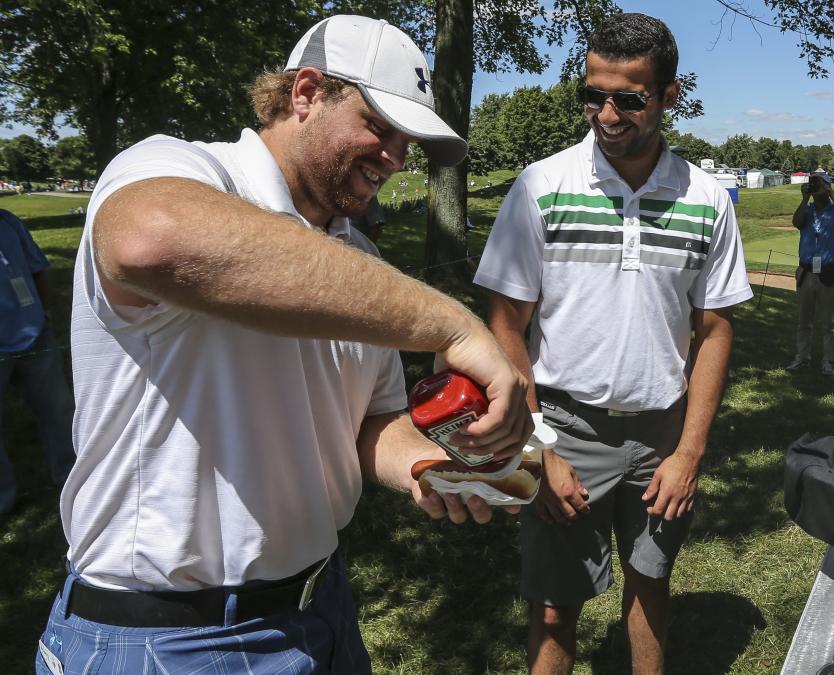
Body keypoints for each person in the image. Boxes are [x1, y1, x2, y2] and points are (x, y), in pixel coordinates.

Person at [35, 15, 533, 674]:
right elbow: (146, 239)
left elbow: (370, 421)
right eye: (379, 127)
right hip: (164, 635)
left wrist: (428, 468)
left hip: (319, 607)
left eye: (408, 141)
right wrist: (454, 325)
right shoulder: (182, 168)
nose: (396, 157)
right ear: (305, 93)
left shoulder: (357, 260)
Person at [473, 13, 753, 675]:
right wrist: (535, 450)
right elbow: (505, 324)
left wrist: (690, 450)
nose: (607, 112)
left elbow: (715, 329)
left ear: (669, 96)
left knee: (651, 582)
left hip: (663, 431)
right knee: (552, 607)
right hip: (564, 425)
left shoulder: (708, 199)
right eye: (592, 94)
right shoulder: (542, 186)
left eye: (629, 98)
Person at [0, 209, 75, 514]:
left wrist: (43, 315)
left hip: (34, 334)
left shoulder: (8, 222)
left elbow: (37, 268)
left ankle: (73, 480)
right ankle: (4, 499)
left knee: (58, 411)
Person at [786, 173, 834, 376]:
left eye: (819, 184)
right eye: (814, 184)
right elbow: (796, 223)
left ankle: (830, 361)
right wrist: (805, 198)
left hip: (828, 273)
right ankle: (802, 358)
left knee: (829, 322)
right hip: (806, 271)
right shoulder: (806, 211)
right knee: (804, 321)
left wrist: (830, 191)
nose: (816, 188)